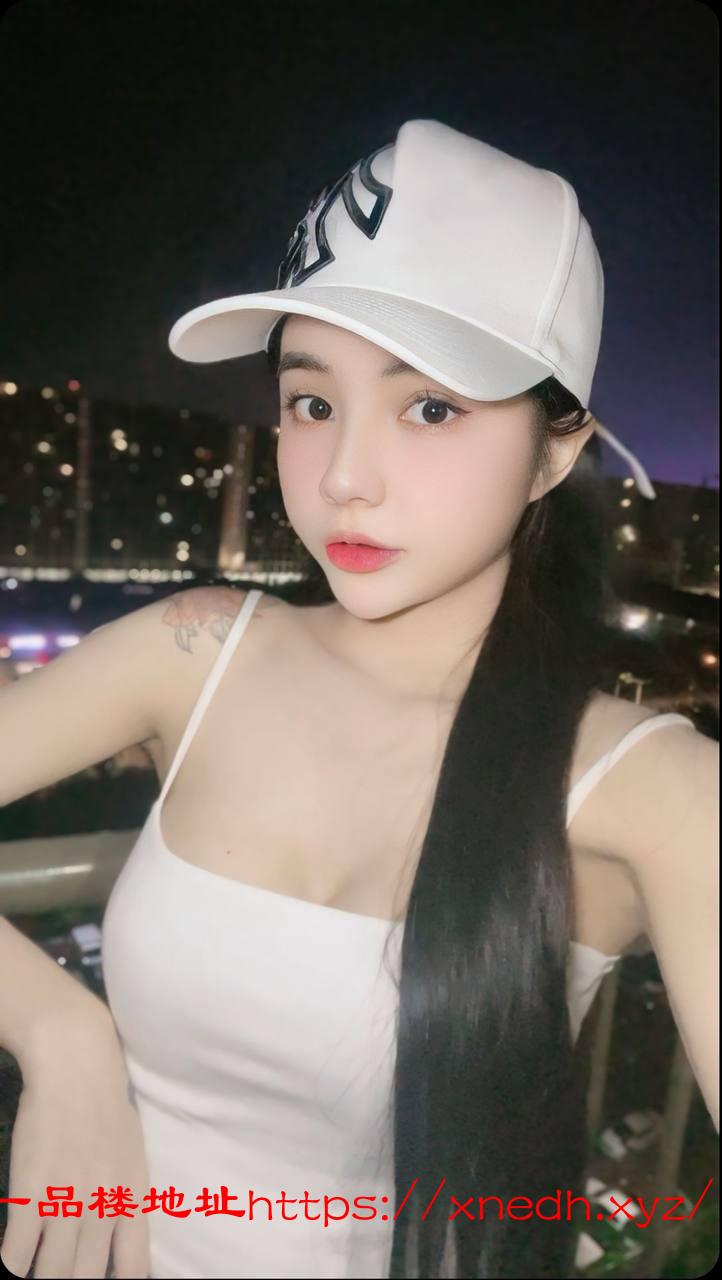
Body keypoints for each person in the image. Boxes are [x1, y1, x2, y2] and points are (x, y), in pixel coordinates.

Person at [0, 119, 717, 1280]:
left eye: (429, 407)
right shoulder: (196, 650)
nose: (342, 476)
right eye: (310, 401)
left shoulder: (649, 786)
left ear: (552, 450)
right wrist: (58, 1029)